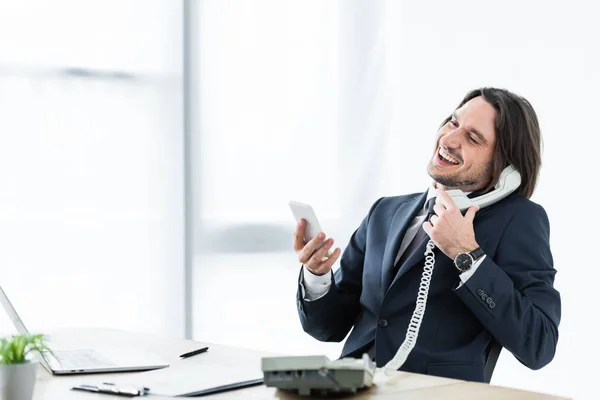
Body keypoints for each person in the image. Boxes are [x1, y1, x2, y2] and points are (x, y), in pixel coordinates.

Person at [293, 87, 561, 383]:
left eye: (473, 138)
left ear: (504, 169)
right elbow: (329, 328)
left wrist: (468, 255)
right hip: (347, 386)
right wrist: (317, 277)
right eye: (453, 122)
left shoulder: (518, 220)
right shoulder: (385, 211)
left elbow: (539, 344)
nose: (448, 139)